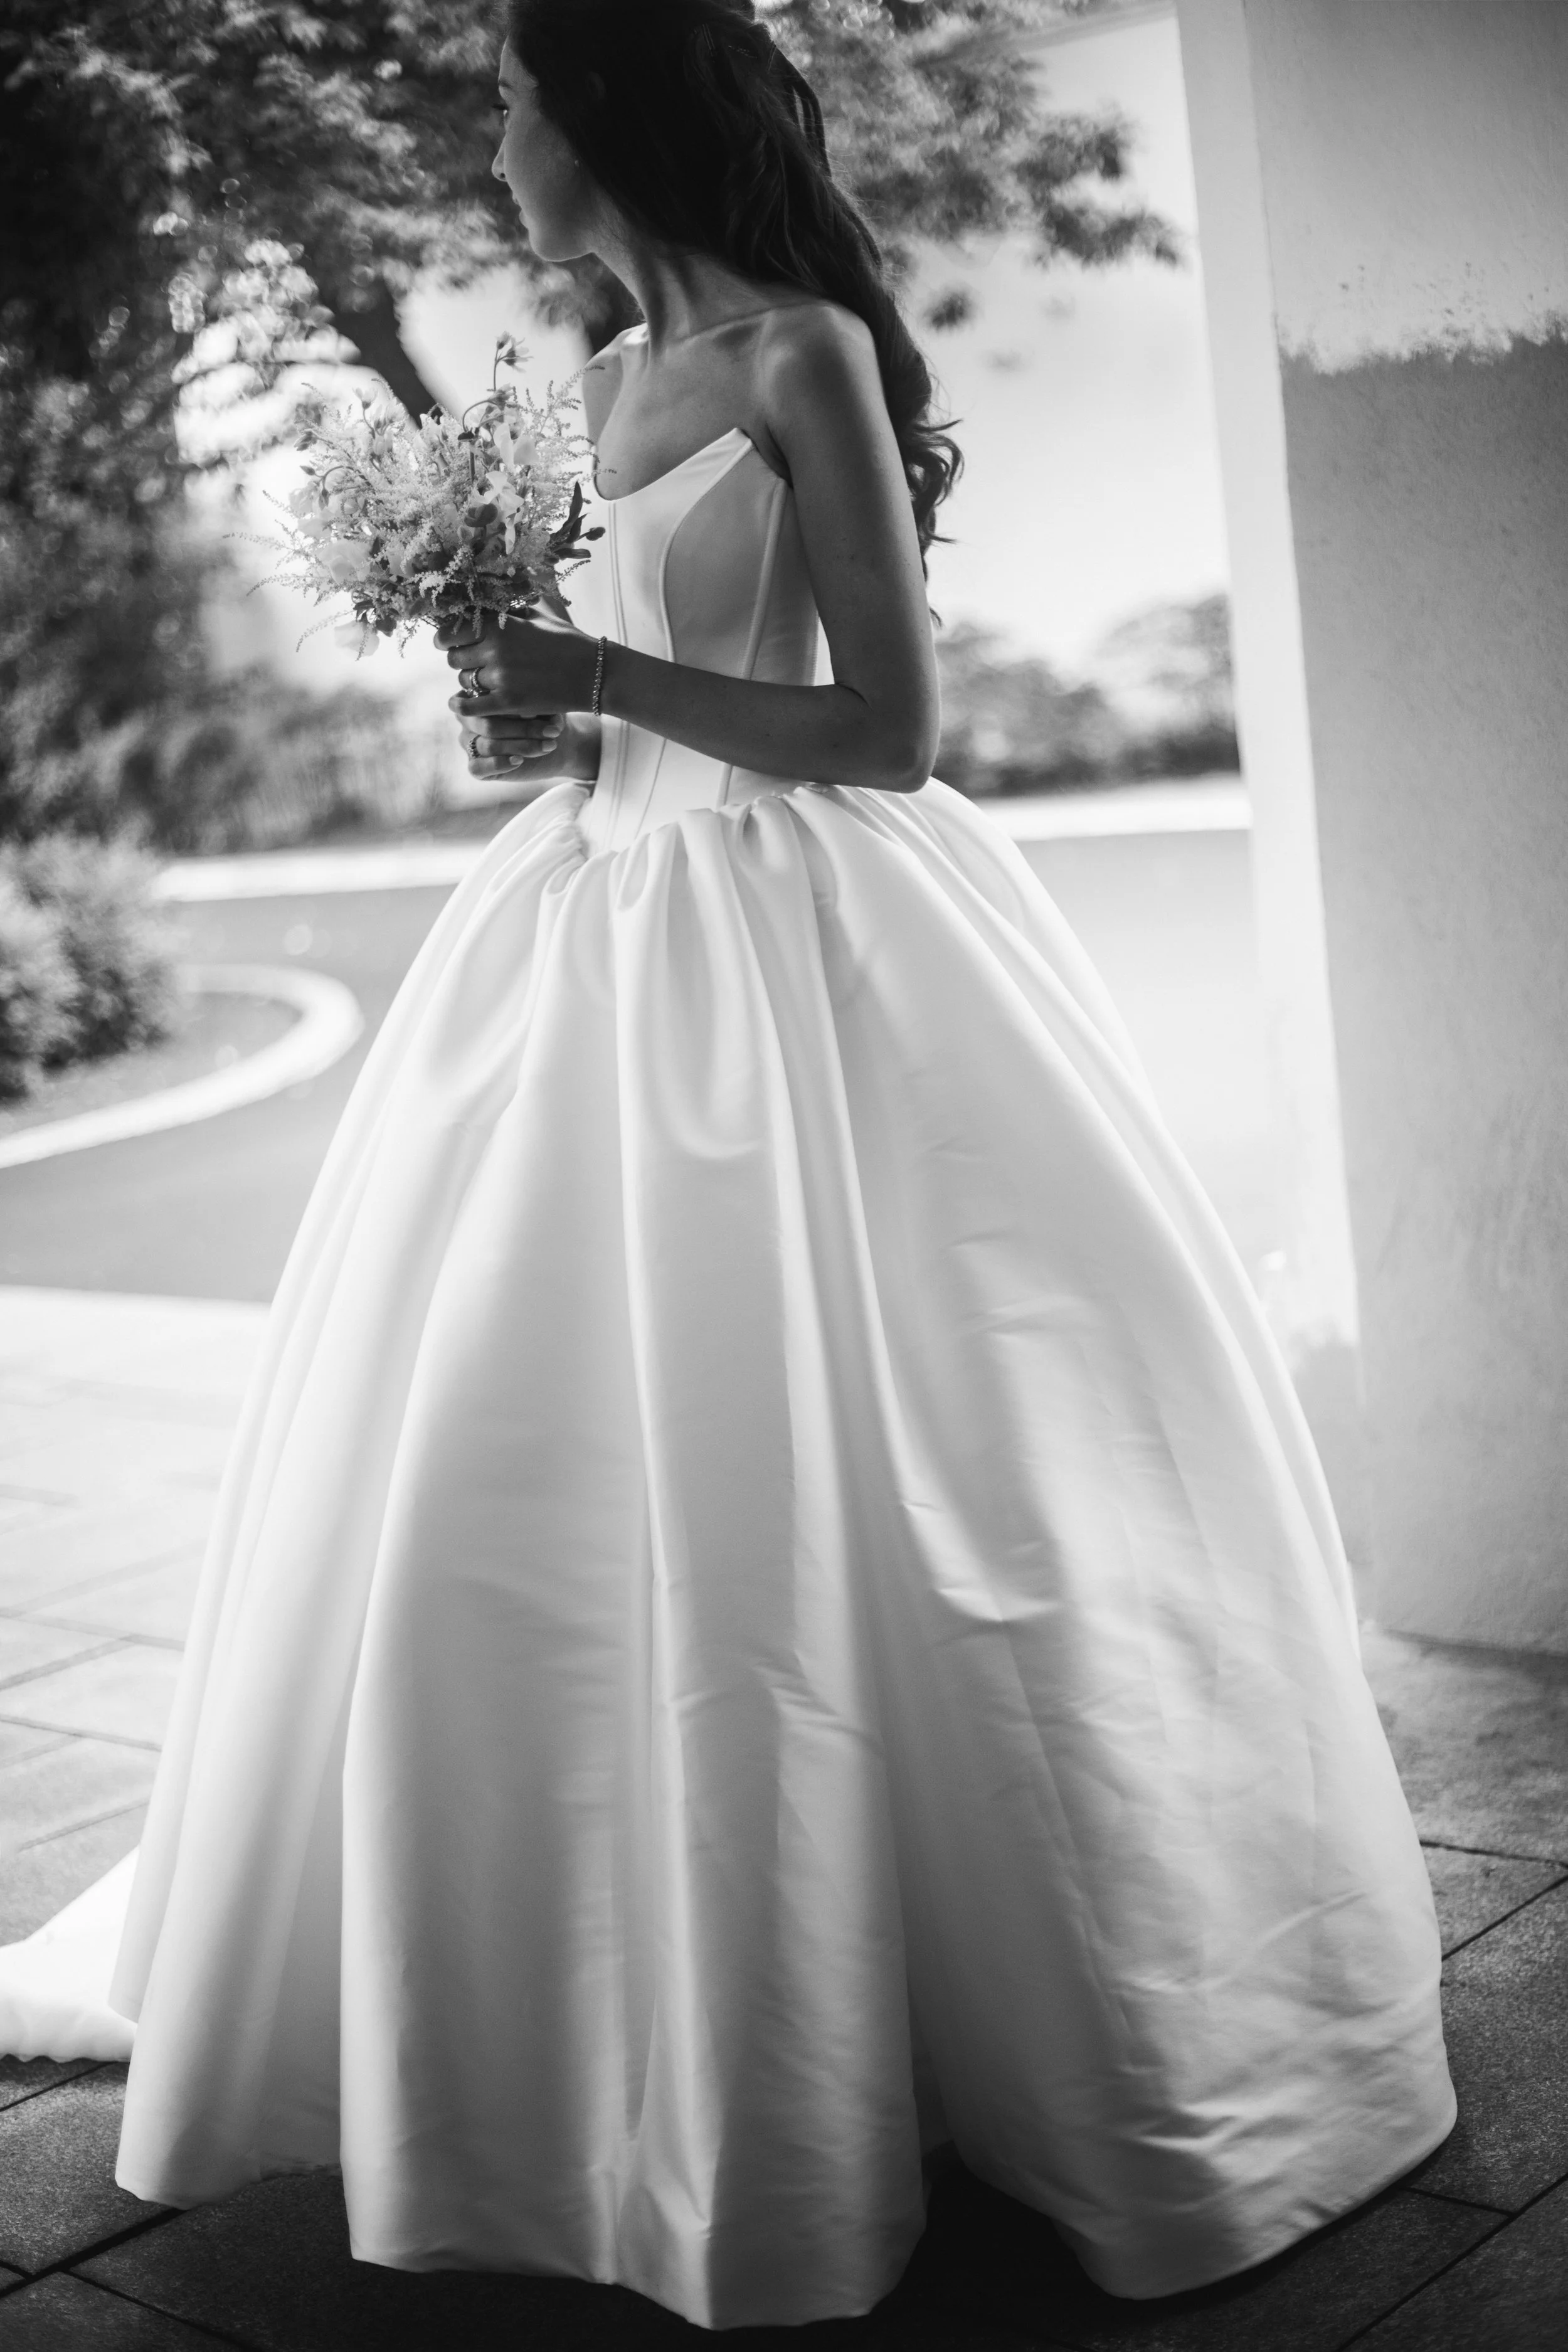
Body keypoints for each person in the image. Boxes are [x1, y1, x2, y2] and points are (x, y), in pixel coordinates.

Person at [4, 0, 1454, 2331]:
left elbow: (885, 723)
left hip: (812, 940)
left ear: (601, 114)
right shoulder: (588, 383)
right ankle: (577, 2032)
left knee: (899, 1462)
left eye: (505, 101)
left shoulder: (805, 363)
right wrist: (536, 717)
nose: (488, 143)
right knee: (531, 1461)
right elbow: (603, 726)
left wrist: (604, 680)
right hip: (588, 940)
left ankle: (968, 2010)